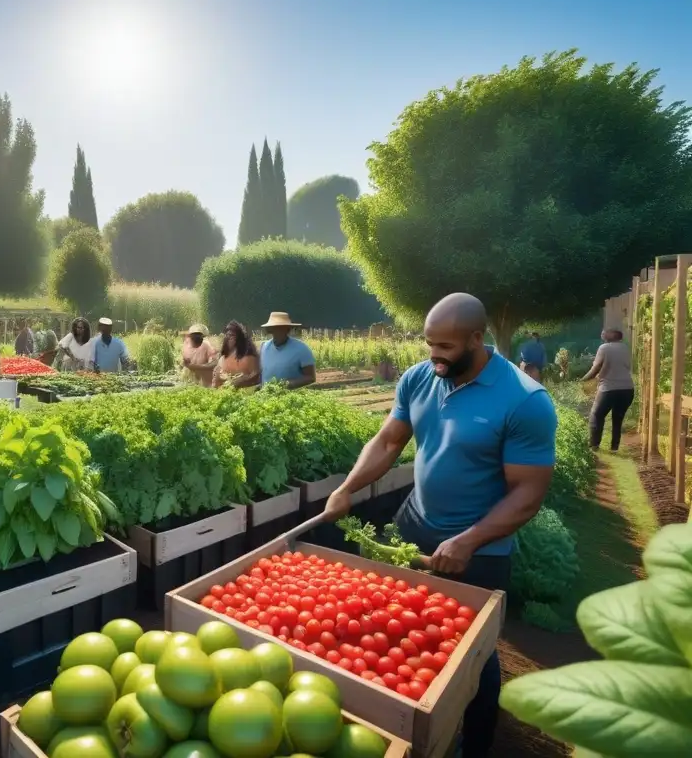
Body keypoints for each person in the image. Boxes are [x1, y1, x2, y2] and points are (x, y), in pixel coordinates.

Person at [323, 292, 557, 758]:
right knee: (402, 633)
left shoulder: (525, 401)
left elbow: (528, 493)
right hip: (415, 524)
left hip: (481, 549)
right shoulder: (419, 378)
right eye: (429, 343)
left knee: (473, 656)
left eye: (446, 347)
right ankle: (411, 728)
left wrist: (470, 539)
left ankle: (476, 741)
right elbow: (390, 440)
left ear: (477, 338)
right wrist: (347, 486)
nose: (434, 355)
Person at [581, 328, 635, 452]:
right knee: (618, 418)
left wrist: (583, 379)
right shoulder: (625, 348)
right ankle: (614, 448)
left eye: (605, 332)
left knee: (597, 415)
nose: (602, 333)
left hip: (609, 389)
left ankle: (594, 446)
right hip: (627, 389)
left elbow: (597, 367)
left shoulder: (604, 348)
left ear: (613, 335)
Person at [259, 312, 316, 388]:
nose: (279, 331)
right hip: (266, 396)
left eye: (282, 328)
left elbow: (310, 377)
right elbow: (261, 374)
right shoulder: (264, 347)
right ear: (270, 330)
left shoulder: (301, 349)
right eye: (276, 328)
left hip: (291, 397)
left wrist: (287, 385)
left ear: (288, 329)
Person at [212, 321, 260, 389]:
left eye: (232, 335)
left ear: (240, 338)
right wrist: (218, 378)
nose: (229, 338)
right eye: (227, 335)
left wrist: (238, 382)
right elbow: (216, 383)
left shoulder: (249, 357)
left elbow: (256, 376)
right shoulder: (222, 358)